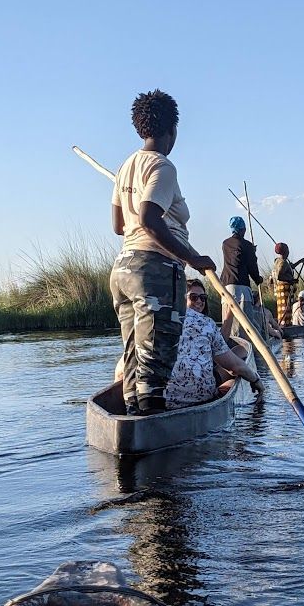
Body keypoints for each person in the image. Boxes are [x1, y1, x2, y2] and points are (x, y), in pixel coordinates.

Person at [110, 89, 216, 416]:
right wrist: (192, 259)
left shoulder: (126, 166)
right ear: (172, 130)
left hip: (123, 270)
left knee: (134, 359)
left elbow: (119, 224)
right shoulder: (163, 166)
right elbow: (147, 218)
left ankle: (132, 426)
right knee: (155, 361)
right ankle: (151, 432)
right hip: (154, 270)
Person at [165, 279, 264, 409]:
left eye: (203, 298)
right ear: (182, 299)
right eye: (193, 297)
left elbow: (221, 343)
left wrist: (230, 312)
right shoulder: (207, 323)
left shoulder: (164, 319)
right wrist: (255, 380)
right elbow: (233, 364)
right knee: (232, 381)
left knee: (240, 351)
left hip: (167, 397)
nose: (199, 301)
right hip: (200, 396)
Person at [220, 216, 263, 337]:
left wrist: (250, 251)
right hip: (242, 287)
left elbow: (236, 257)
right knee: (245, 324)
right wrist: (258, 279)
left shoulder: (225, 243)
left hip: (227, 287)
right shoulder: (247, 245)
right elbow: (252, 267)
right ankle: (245, 349)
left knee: (228, 322)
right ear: (243, 229)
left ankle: (229, 347)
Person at [271, 243, 304, 326]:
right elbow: (280, 276)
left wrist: (300, 261)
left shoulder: (278, 261)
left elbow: (290, 267)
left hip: (282, 289)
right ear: (286, 251)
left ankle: (284, 324)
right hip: (284, 289)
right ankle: (285, 325)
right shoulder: (282, 262)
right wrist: (291, 280)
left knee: (284, 308)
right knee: (286, 308)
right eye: (288, 250)